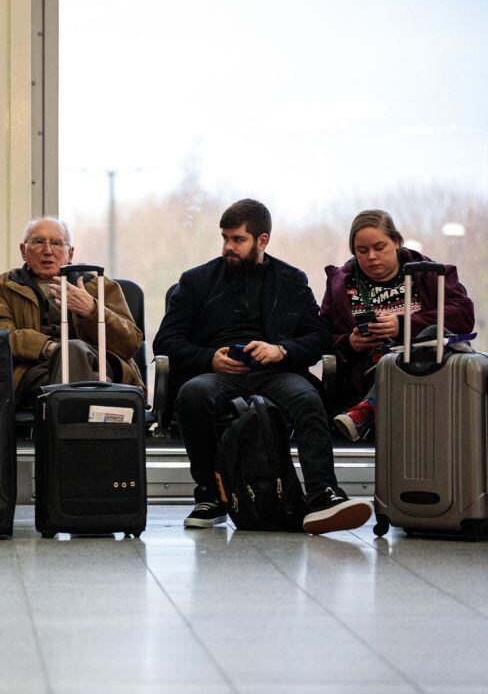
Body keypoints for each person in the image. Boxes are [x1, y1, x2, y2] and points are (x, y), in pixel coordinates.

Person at [153, 198, 372, 535]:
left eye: (238, 239)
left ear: (262, 240)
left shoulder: (290, 280)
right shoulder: (197, 281)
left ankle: (323, 496)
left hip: (275, 371)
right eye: (225, 238)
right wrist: (209, 358)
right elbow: (165, 341)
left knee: (308, 401)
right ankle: (211, 495)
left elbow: (318, 337)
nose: (229, 247)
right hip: (218, 372)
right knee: (193, 395)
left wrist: (281, 351)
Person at [321, 209, 474, 441]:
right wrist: (350, 343)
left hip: (427, 372)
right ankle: (366, 408)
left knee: (428, 337)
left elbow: (463, 314)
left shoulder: (431, 275)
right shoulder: (340, 285)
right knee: (388, 365)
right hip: (364, 373)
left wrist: (403, 326)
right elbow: (320, 336)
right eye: (362, 251)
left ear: (397, 242)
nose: (371, 256)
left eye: (379, 247)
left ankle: (365, 412)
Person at [0, 217, 144, 405]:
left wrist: (92, 310)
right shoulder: (4, 286)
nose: (48, 251)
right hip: (39, 371)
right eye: (39, 241)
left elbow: (130, 342)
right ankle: (95, 407)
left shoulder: (99, 285)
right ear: (23, 251)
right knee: (81, 363)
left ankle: (72, 420)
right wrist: (49, 348)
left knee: (75, 351)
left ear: (71, 253)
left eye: (57, 243)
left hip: (100, 364)